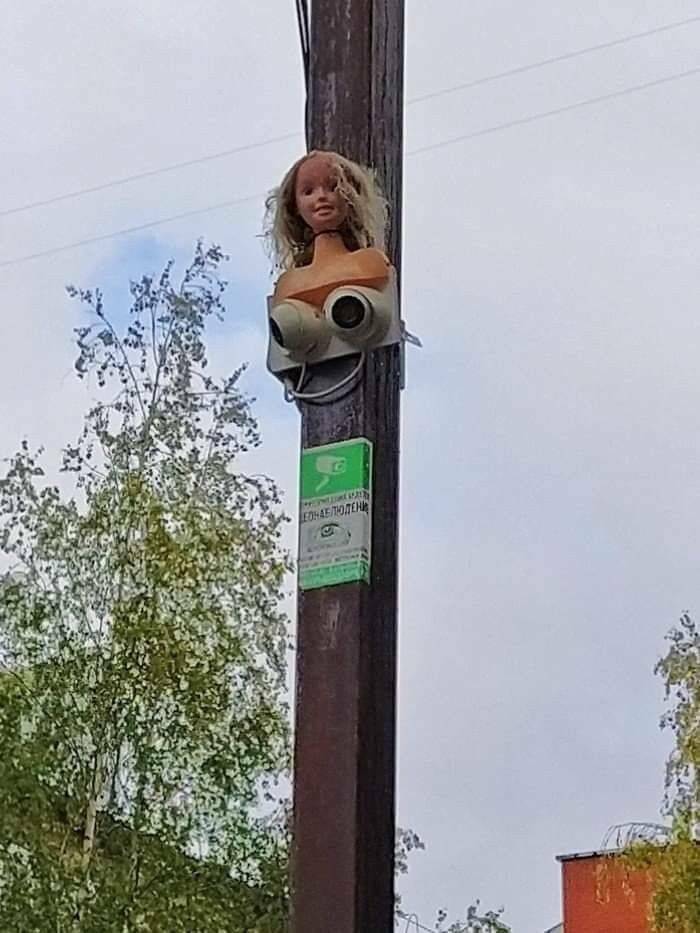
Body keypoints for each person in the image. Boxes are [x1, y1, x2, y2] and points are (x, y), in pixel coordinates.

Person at [264, 150, 392, 307]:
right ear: (295, 205)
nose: (321, 196)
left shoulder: (370, 263)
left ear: (351, 195)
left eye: (333, 187)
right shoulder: (288, 284)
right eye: (308, 191)